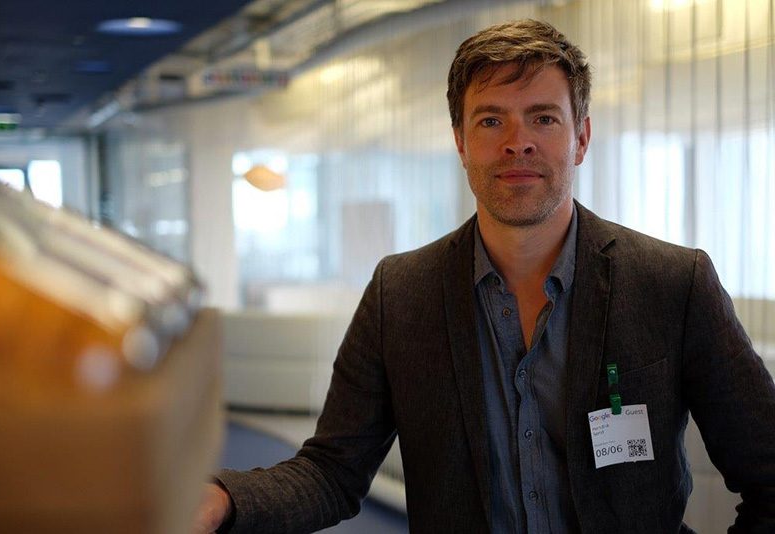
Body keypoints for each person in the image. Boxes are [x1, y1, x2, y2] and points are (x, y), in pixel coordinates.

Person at [193, 19, 775, 534]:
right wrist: (222, 501)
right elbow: (332, 471)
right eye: (492, 120)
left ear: (581, 138)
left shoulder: (671, 284)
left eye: (543, 118)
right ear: (461, 142)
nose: (518, 142)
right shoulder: (401, 294)